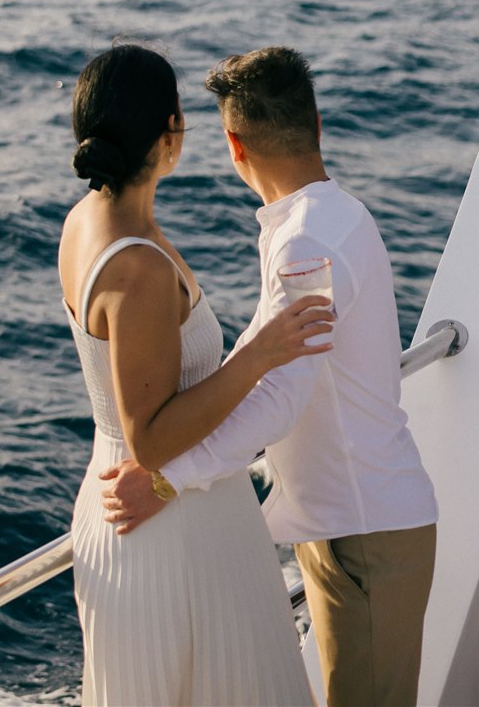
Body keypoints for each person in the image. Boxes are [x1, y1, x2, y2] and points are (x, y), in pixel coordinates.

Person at [101, 47, 437, 707]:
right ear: (315, 124)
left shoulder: (306, 241)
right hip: (347, 522)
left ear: (233, 145)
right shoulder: (328, 217)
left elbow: (279, 394)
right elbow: (261, 358)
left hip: (363, 533)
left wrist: (169, 476)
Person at [60, 42, 332, 707]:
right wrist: (259, 355)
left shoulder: (84, 223)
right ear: (169, 134)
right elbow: (151, 438)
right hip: (168, 530)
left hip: (129, 512)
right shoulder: (139, 269)